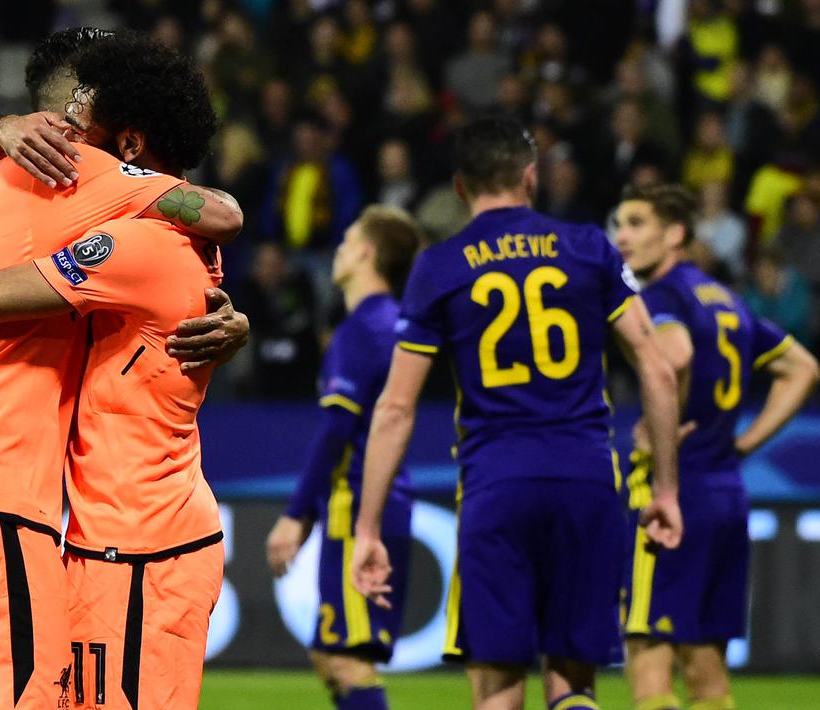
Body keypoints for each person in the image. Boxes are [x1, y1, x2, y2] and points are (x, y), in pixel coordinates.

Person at [0, 30, 247, 710]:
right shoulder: (82, 185)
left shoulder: (78, 208)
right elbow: (219, 216)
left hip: (97, 530)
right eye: (71, 104)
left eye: (87, 104)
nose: (74, 119)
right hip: (3, 506)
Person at [351, 116, 684, 710]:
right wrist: (666, 488)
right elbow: (657, 371)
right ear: (530, 176)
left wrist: (369, 528)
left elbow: (397, 408)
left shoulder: (440, 267)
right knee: (574, 684)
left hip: (496, 484)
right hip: (586, 479)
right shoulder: (590, 248)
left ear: (459, 187)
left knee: (498, 688)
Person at [613, 184, 819, 710]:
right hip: (726, 490)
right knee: (706, 669)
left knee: (648, 656)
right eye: (618, 223)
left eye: (637, 223)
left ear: (675, 234)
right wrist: (744, 442)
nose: (622, 236)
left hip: (672, 495)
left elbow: (674, 354)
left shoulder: (660, 297)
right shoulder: (725, 298)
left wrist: (663, 425)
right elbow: (803, 368)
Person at [265, 205, 424, 710]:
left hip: (358, 506)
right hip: (383, 499)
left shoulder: (361, 330)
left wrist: (295, 516)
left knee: (348, 657)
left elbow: (337, 430)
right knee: (327, 652)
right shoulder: (393, 324)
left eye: (348, 238)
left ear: (366, 252)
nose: (337, 248)